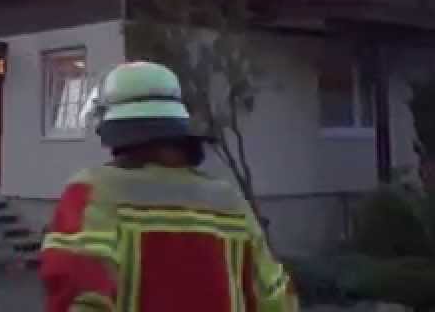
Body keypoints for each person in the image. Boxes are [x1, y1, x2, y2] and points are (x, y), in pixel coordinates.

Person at [39, 60, 298, 312]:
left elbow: (77, 291)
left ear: (115, 133)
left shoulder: (94, 193)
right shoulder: (229, 201)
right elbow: (275, 297)